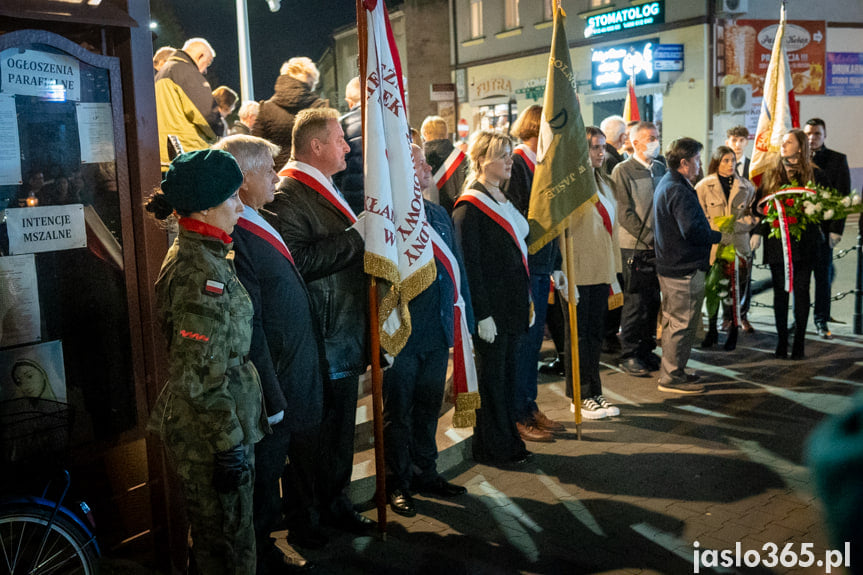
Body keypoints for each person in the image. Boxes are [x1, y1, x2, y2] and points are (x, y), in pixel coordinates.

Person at [145, 149, 267, 574]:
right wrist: (228, 443)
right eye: (232, 197)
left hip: (219, 423)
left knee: (223, 542)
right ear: (205, 206)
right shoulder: (200, 270)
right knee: (228, 551)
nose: (240, 205)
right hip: (211, 434)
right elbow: (196, 373)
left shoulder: (209, 254)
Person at [214, 135, 325, 572]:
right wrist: (270, 396)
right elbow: (252, 323)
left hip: (293, 367)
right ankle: (261, 553)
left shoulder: (260, 218)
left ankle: (289, 535)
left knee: (289, 465)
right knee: (264, 480)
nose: (277, 177)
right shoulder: (237, 235)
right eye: (268, 170)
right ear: (242, 179)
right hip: (272, 379)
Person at [263, 108, 373, 534]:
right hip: (320, 338)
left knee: (339, 433)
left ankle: (335, 503)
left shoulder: (324, 185)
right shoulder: (289, 193)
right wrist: (356, 238)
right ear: (316, 146)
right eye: (340, 139)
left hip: (340, 332)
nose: (348, 146)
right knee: (310, 439)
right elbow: (297, 262)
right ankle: (305, 519)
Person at [383, 144, 471, 518]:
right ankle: (397, 482)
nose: (427, 167)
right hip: (403, 334)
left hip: (435, 331)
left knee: (427, 409)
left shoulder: (437, 214)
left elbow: (457, 270)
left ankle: (425, 471)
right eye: (418, 162)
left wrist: (464, 320)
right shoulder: (386, 219)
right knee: (398, 413)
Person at [452, 130, 531, 467]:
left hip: (513, 305)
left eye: (510, 154)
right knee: (493, 380)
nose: (510, 162)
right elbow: (470, 265)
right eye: (503, 156)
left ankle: (508, 440)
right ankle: (492, 447)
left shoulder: (503, 197)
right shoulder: (470, 206)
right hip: (492, 311)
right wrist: (481, 313)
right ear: (483, 159)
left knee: (508, 377)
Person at [506, 105, 564, 442]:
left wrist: (556, 264)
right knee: (525, 346)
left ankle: (530, 406)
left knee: (532, 346)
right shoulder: (519, 164)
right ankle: (520, 412)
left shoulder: (540, 163)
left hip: (544, 264)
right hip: (528, 265)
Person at [654, 138, 725, 394]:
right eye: (696, 160)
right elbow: (692, 230)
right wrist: (717, 236)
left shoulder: (670, 182)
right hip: (682, 268)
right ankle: (671, 377)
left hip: (673, 265)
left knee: (677, 322)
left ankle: (677, 370)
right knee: (680, 324)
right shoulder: (678, 188)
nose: (699, 165)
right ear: (684, 162)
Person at [751, 129, 827, 360]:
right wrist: (757, 232)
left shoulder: (815, 174)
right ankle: (782, 341)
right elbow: (759, 207)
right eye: (782, 142)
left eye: (788, 142)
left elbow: (824, 208)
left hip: (805, 244)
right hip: (777, 244)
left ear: (801, 146)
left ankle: (800, 342)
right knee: (781, 294)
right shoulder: (772, 174)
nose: (783, 145)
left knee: (802, 292)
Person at [565, 127, 623, 417]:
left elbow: (610, 231)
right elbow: (562, 232)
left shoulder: (605, 183)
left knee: (594, 336)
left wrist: (614, 271)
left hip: (600, 271)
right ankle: (579, 394)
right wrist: (563, 275)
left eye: (603, 147)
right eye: (595, 148)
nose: (601, 153)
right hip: (577, 271)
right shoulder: (570, 186)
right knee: (578, 337)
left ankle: (595, 392)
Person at [610, 121, 666, 377]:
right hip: (634, 248)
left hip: (658, 247)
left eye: (657, 137)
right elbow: (624, 212)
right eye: (651, 138)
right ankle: (629, 353)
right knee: (636, 302)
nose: (656, 141)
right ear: (635, 142)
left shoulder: (660, 169)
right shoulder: (623, 171)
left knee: (653, 301)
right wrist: (648, 238)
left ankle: (646, 349)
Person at [695, 145, 757, 351]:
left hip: (737, 245)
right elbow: (698, 216)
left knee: (734, 290)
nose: (730, 164)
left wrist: (737, 225)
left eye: (732, 161)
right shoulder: (703, 186)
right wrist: (716, 226)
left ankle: (733, 331)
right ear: (716, 161)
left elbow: (753, 216)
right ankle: (712, 330)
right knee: (712, 289)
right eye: (725, 160)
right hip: (714, 246)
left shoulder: (747, 187)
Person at [805, 118, 851, 340]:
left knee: (822, 278)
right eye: (808, 134)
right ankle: (800, 318)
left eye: (816, 134)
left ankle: (821, 320)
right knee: (800, 280)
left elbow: (842, 197)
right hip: (800, 231)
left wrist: (836, 230)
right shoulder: (796, 159)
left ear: (824, 135)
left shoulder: (837, 160)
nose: (812, 138)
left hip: (824, 231)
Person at [154, 38, 222, 167]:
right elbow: (206, 115)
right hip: (189, 155)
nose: (205, 71)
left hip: (166, 156)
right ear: (200, 56)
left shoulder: (162, 73)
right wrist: (220, 136)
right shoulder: (185, 72)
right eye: (207, 63)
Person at [253, 57, 328, 170]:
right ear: (310, 79)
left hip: (277, 178)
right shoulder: (320, 107)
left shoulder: (266, 108)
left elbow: (255, 149)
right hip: (313, 177)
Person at [724, 125, 755, 332]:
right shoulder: (719, 166)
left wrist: (755, 231)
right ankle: (726, 318)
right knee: (724, 275)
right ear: (727, 142)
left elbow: (758, 204)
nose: (737, 144)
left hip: (745, 233)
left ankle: (742, 315)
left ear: (747, 141)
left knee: (745, 276)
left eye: (741, 140)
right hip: (724, 232)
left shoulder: (754, 168)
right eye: (733, 140)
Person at [422, 115, 468, 214]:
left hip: (429, 216)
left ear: (425, 134)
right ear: (446, 134)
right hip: (458, 213)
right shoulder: (462, 158)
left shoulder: (419, 160)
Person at [332, 76, 364, 214]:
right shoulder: (396, 121)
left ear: (349, 102)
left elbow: (334, 168)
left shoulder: (341, 125)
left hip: (354, 201)